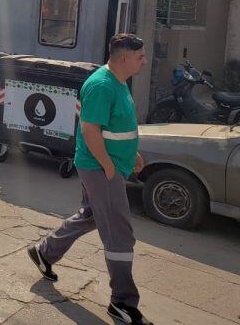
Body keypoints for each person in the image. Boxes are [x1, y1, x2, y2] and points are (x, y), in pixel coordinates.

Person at [28, 33, 152, 325]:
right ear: (124, 58)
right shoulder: (100, 86)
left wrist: (132, 154)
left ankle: (44, 252)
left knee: (91, 215)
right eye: (140, 57)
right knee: (120, 233)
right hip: (100, 169)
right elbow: (90, 131)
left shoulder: (119, 82)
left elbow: (117, 126)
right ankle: (121, 302)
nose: (145, 61)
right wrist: (108, 166)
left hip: (110, 166)